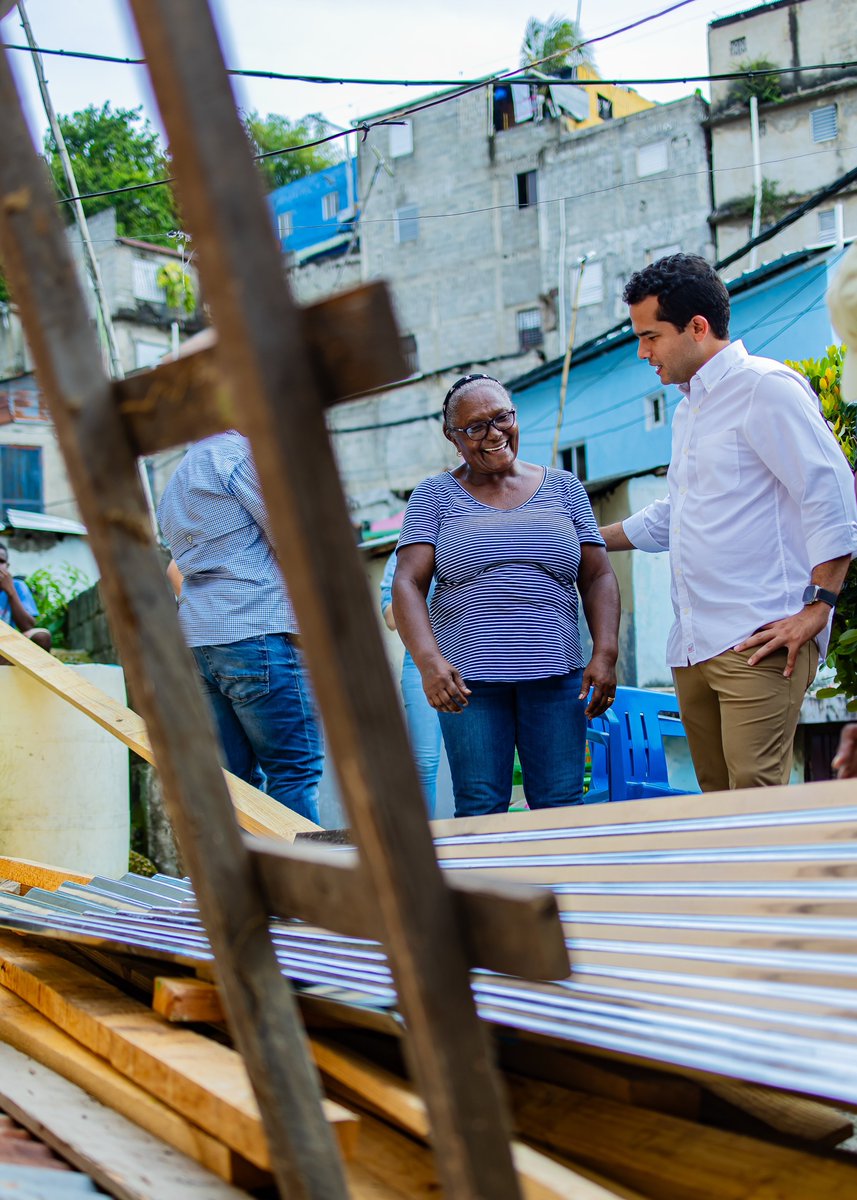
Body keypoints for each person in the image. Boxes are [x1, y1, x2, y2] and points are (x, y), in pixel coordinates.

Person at [600, 253, 857, 792]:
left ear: (697, 327)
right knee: (716, 813)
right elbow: (679, 512)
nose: (642, 351)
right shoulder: (686, 409)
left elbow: (831, 494)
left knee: (756, 812)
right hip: (693, 645)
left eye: (650, 336)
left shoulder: (767, 387)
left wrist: (818, 609)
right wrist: (588, 539)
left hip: (758, 641)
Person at [393, 374, 620, 817]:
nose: (494, 434)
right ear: (452, 437)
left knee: (560, 807)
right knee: (481, 809)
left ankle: (559, 890)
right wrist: (429, 663)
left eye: (502, 418)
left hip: (557, 679)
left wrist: (605, 653)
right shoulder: (434, 495)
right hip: (468, 684)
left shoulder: (564, 488)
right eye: (475, 427)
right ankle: (490, 890)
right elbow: (407, 583)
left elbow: (597, 577)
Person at [157, 431, 323, 823]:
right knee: (293, 774)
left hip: (201, 638)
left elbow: (176, 562)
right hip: (255, 629)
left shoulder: (180, 473)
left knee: (237, 785)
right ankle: (307, 884)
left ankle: (251, 885)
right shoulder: (238, 455)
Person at [380, 549, 442, 816]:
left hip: (471, 656)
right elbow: (391, 618)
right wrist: (413, 581)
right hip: (421, 663)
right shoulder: (403, 552)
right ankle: (425, 846)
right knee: (424, 762)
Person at [0, 541, 51, 651]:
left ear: (7, 566)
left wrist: (11, 592)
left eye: (1, 561)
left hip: (7, 646)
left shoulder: (17, 586)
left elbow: (27, 626)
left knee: (41, 637)